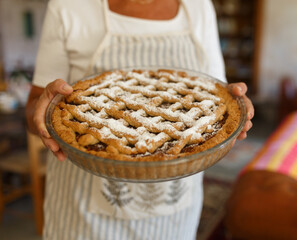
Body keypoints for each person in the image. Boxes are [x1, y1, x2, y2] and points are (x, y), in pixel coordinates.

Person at [26, 0, 254, 239]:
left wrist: (236, 101)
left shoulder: (198, 6)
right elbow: (35, 106)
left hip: (174, 212)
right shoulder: (68, 6)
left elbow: (217, 93)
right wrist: (41, 113)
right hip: (84, 213)